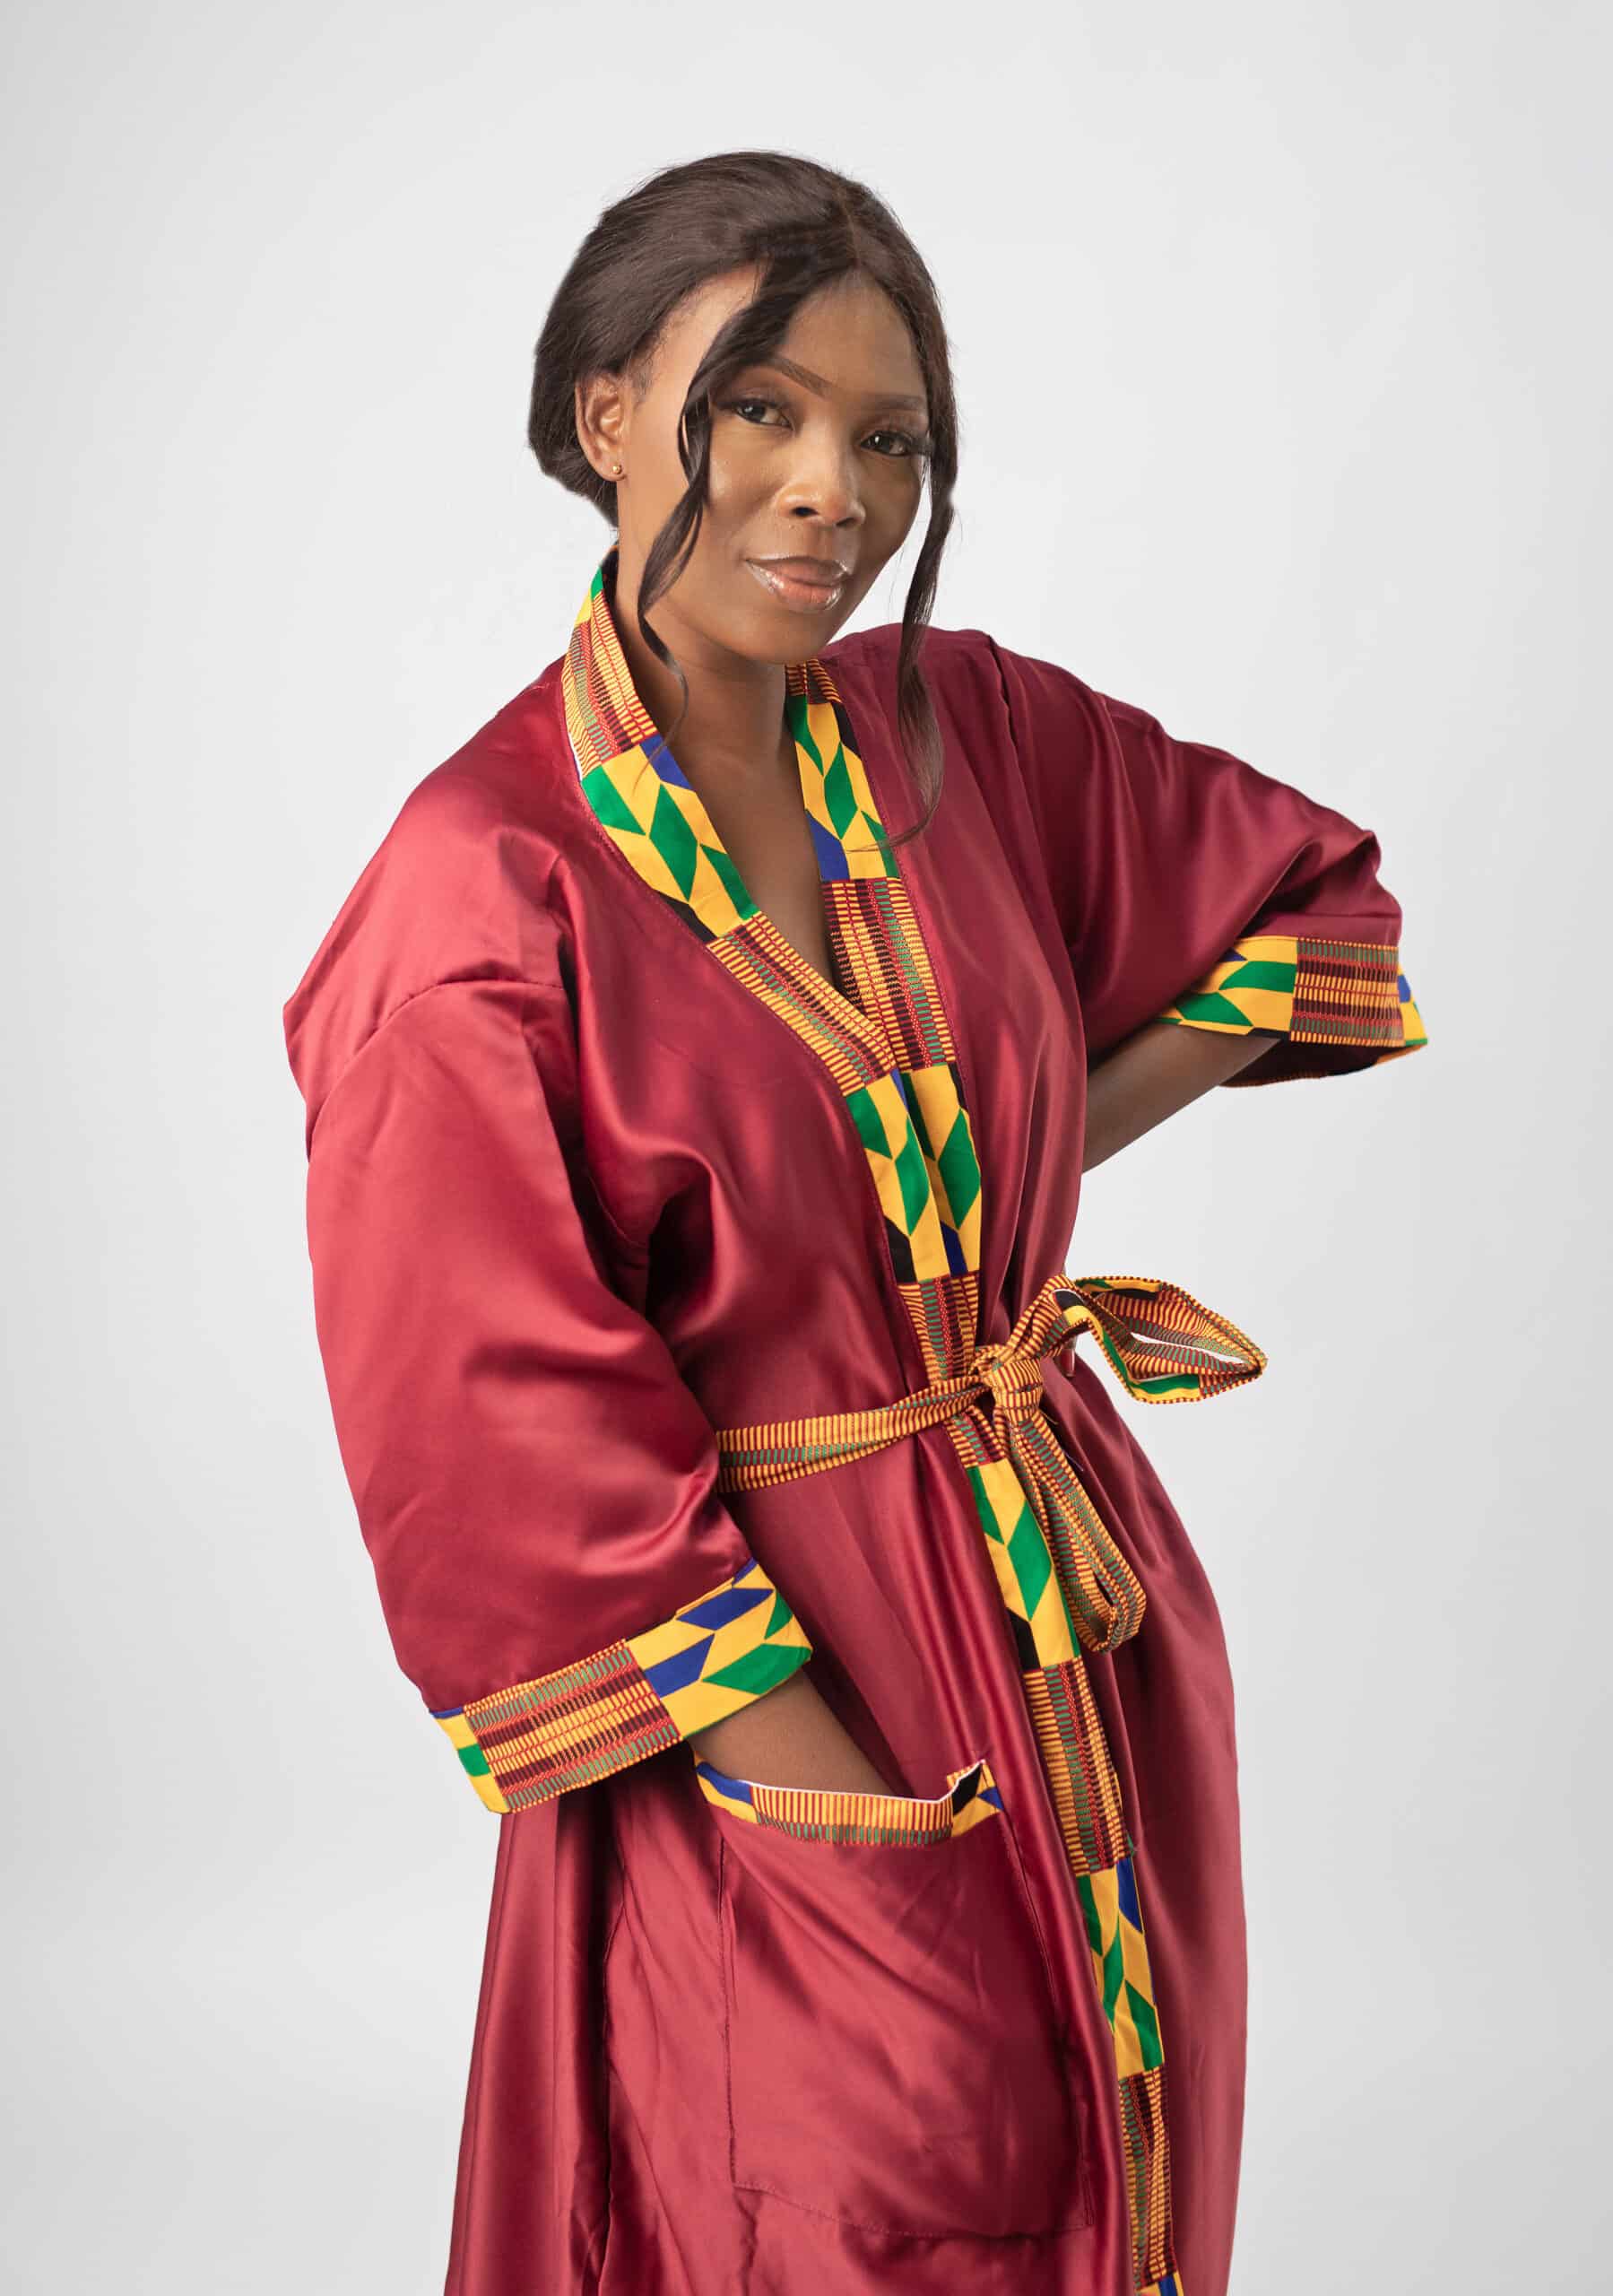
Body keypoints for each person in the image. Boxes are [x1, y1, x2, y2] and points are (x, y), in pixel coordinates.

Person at [282, 150, 1428, 2296]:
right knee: (808, 2214)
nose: (834, 491)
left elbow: (1307, 898)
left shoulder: (957, 728)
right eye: (761, 408)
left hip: (1076, 1622)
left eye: (889, 439)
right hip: (781, 1696)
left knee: (1119, 2201)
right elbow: (491, 1439)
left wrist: (1025, 1163)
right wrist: (834, 1831)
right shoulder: (480, 889)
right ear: (608, 415)